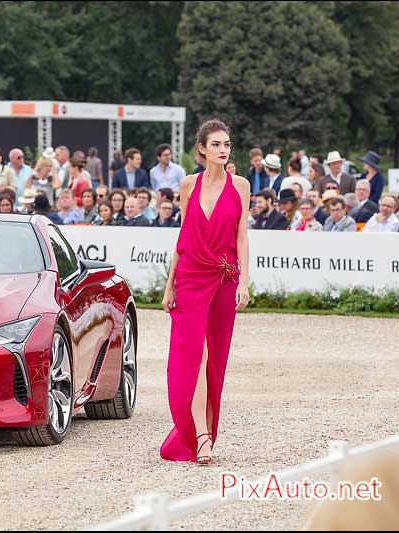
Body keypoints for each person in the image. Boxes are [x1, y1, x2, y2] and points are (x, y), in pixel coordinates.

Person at [160, 119, 250, 464]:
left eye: (226, 144)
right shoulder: (187, 185)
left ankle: (205, 431)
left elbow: (242, 236)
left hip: (225, 279)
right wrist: (169, 285)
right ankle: (199, 435)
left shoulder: (240, 186)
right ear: (202, 149)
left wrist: (244, 281)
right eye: (216, 145)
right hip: (190, 276)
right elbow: (183, 238)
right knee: (192, 356)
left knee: (214, 358)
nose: (223, 150)